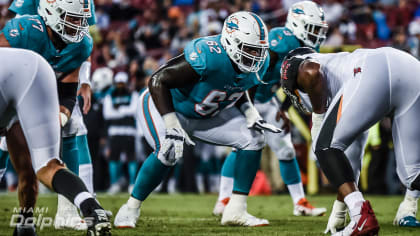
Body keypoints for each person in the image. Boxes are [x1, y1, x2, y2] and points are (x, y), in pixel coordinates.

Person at [114, 11, 282, 228]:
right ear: (231, 42)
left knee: (255, 138)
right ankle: (130, 208)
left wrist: (251, 113)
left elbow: (242, 87)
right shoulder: (209, 55)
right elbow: (157, 81)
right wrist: (171, 125)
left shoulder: (259, 60)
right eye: (249, 49)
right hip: (166, 106)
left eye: (259, 50)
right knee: (168, 150)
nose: (256, 55)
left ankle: (236, 210)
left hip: (205, 114)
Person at [281, 46, 420, 235]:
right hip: (410, 67)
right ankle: (359, 215)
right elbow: (351, 159)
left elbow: (310, 71)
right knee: (412, 176)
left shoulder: (295, 63)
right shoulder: (343, 81)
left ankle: (362, 218)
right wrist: (340, 210)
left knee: (324, 146)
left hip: (372, 70)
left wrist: (319, 115)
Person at [0, 0, 107, 232]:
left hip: (35, 88)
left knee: (37, 166)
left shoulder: (81, 44)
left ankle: (75, 208)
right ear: (52, 13)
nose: (80, 26)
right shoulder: (27, 29)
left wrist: (60, 116)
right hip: (15, 83)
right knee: (37, 162)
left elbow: (68, 93)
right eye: (73, 20)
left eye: (81, 20)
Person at [213, 0, 328, 217]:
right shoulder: (280, 40)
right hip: (248, 97)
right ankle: (223, 199)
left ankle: (300, 202)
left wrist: (284, 108)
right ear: (297, 23)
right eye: (313, 28)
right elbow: (256, 73)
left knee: (286, 150)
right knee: (241, 147)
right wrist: (249, 108)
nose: (317, 35)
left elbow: (293, 82)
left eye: (319, 30)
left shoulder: (311, 48)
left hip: (268, 100)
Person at [103, 71, 139, 194]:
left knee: (131, 158)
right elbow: (107, 114)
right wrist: (125, 111)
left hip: (129, 131)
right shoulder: (109, 96)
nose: (120, 85)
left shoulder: (133, 94)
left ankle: (132, 184)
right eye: (118, 83)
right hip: (115, 132)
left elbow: (134, 111)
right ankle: (114, 184)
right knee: (114, 159)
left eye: (122, 83)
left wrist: (119, 110)